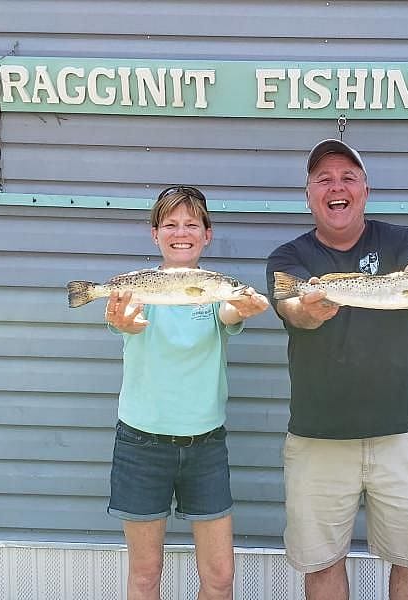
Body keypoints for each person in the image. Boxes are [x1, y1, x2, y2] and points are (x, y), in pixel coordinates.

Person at [266, 140, 408, 600]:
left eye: (348, 177)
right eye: (323, 179)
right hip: (317, 439)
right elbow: (292, 310)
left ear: (365, 189)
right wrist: (312, 309)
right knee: (321, 565)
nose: (337, 187)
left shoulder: (402, 241)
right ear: (308, 194)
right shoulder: (288, 258)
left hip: (401, 435)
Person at [105, 185, 269, 600]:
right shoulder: (136, 287)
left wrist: (244, 306)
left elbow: (231, 311)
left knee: (220, 577)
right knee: (146, 575)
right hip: (141, 444)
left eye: (192, 224)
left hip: (206, 446)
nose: (182, 232)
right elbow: (125, 322)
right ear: (155, 233)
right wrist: (123, 320)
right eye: (171, 224)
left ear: (207, 234)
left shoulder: (215, 288)